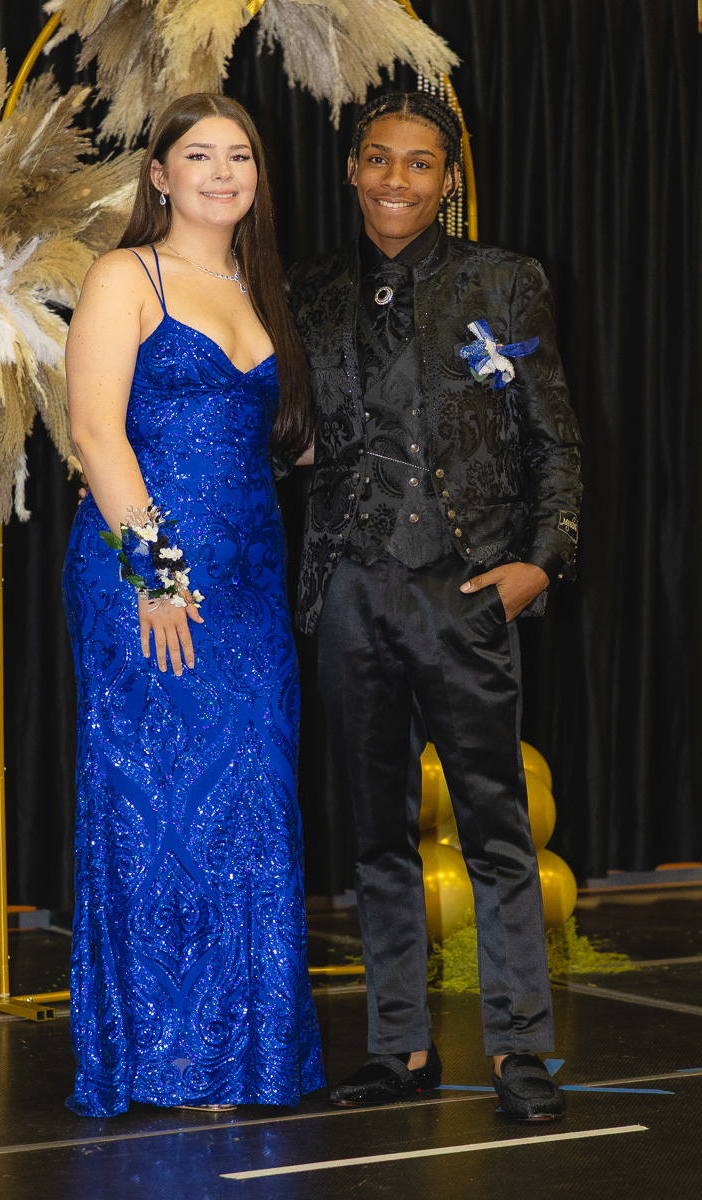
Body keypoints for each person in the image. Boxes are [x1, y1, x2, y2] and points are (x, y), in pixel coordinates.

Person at [288, 92, 582, 1121]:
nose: (396, 180)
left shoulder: (500, 282)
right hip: (349, 589)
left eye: (419, 164)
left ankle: (516, 1052)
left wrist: (536, 564)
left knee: (494, 825)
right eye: (378, 160)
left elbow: (553, 438)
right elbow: (291, 433)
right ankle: (397, 1047)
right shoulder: (309, 289)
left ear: (447, 178)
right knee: (374, 834)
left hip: (461, 589)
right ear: (352, 170)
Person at [62, 92, 324, 1117]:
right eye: (199, 155)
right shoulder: (124, 274)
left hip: (252, 583)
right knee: (159, 807)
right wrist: (158, 573)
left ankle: (247, 1059)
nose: (223, 172)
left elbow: (291, 443)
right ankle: (169, 1061)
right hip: (148, 580)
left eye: (241, 157)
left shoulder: (260, 288)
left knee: (252, 801)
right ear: (160, 175)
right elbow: (95, 433)